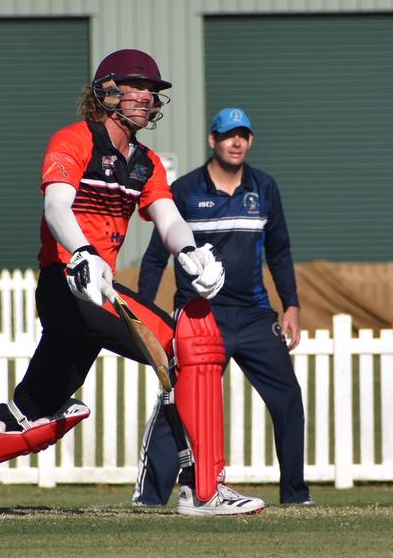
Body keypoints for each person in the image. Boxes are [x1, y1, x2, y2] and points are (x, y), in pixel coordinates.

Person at [0, 49, 265, 518]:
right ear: (107, 91)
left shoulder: (147, 163)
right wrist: (82, 253)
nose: (145, 97)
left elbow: (167, 215)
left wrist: (191, 250)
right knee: (187, 347)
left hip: (93, 288)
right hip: (70, 286)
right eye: (135, 86)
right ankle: (201, 489)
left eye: (151, 90)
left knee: (28, 415)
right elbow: (57, 206)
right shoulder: (74, 140)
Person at [133, 107, 311, 507]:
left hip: (254, 316)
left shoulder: (265, 188)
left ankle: (296, 495)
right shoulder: (184, 191)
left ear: (250, 141)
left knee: (288, 399)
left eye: (243, 135)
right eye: (229, 135)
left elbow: (280, 253)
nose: (236, 142)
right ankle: (149, 498)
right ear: (212, 141)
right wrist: (145, 312)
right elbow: (155, 258)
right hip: (199, 319)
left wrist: (292, 306)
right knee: (180, 407)